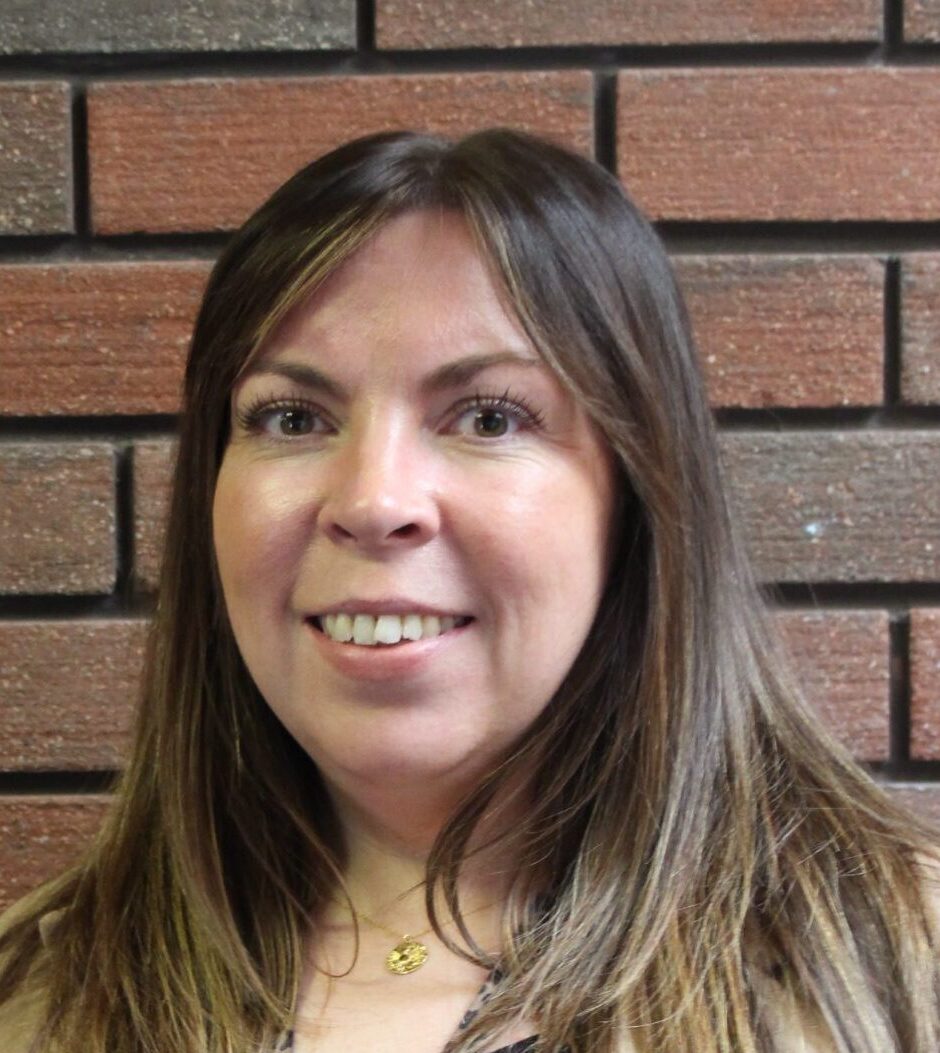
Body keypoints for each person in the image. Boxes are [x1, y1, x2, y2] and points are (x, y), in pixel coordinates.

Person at [1, 128, 938, 1053]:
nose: (374, 500)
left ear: (638, 492)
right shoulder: (40, 988)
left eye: (489, 416)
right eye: (293, 416)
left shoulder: (902, 961)